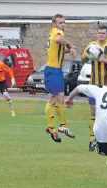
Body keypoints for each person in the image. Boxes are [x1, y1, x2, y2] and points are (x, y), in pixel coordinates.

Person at [81, 25, 107, 151]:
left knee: (106, 114)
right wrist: (88, 55)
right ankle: (92, 141)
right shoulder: (91, 45)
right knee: (93, 111)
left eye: (103, 33)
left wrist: (104, 60)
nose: (101, 35)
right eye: (99, 33)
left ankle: (106, 140)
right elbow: (82, 59)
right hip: (93, 84)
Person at [44, 13, 77, 143]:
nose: (62, 25)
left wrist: (68, 51)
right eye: (60, 22)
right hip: (52, 70)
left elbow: (58, 50)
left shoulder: (52, 32)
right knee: (53, 98)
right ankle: (54, 128)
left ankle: (62, 127)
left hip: (56, 71)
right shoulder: (57, 32)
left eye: (64, 22)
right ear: (54, 24)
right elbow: (58, 40)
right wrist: (70, 45)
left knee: (60, 98)